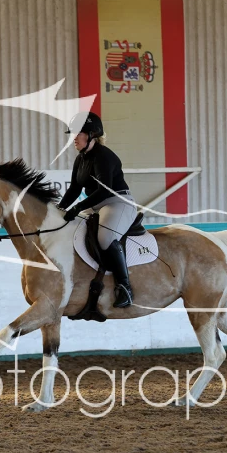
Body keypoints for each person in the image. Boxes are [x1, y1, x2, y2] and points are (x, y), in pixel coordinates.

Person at [58, 112, 137, 308]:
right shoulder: (81, 159)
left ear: (92, 135)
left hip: (118, 202)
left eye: (78, 133)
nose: (74, 138)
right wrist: (60, 209)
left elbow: (104, 191)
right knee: (71, 230)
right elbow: (74, 189)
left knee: (105, 237)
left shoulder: (104, 156)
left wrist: (78, 207)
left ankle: (125, 287)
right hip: (96, 205)